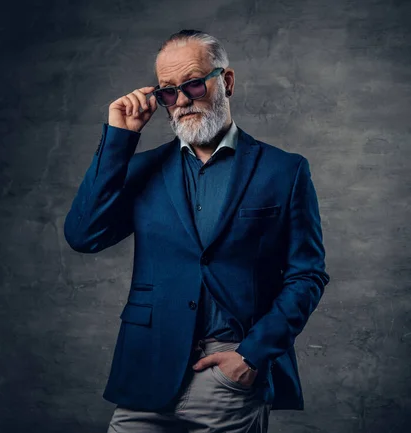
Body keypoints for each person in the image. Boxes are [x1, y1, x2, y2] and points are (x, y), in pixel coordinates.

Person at [64, 29, 330, 433]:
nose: (182, 99)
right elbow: (84, 235)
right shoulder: (142, 169)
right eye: (168, 91)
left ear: (226, 82)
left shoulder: (284, 170)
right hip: (146, 370)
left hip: (230, 373)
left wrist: (252, 356)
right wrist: (121, 138)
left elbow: (307, 275)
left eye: (192, 83)